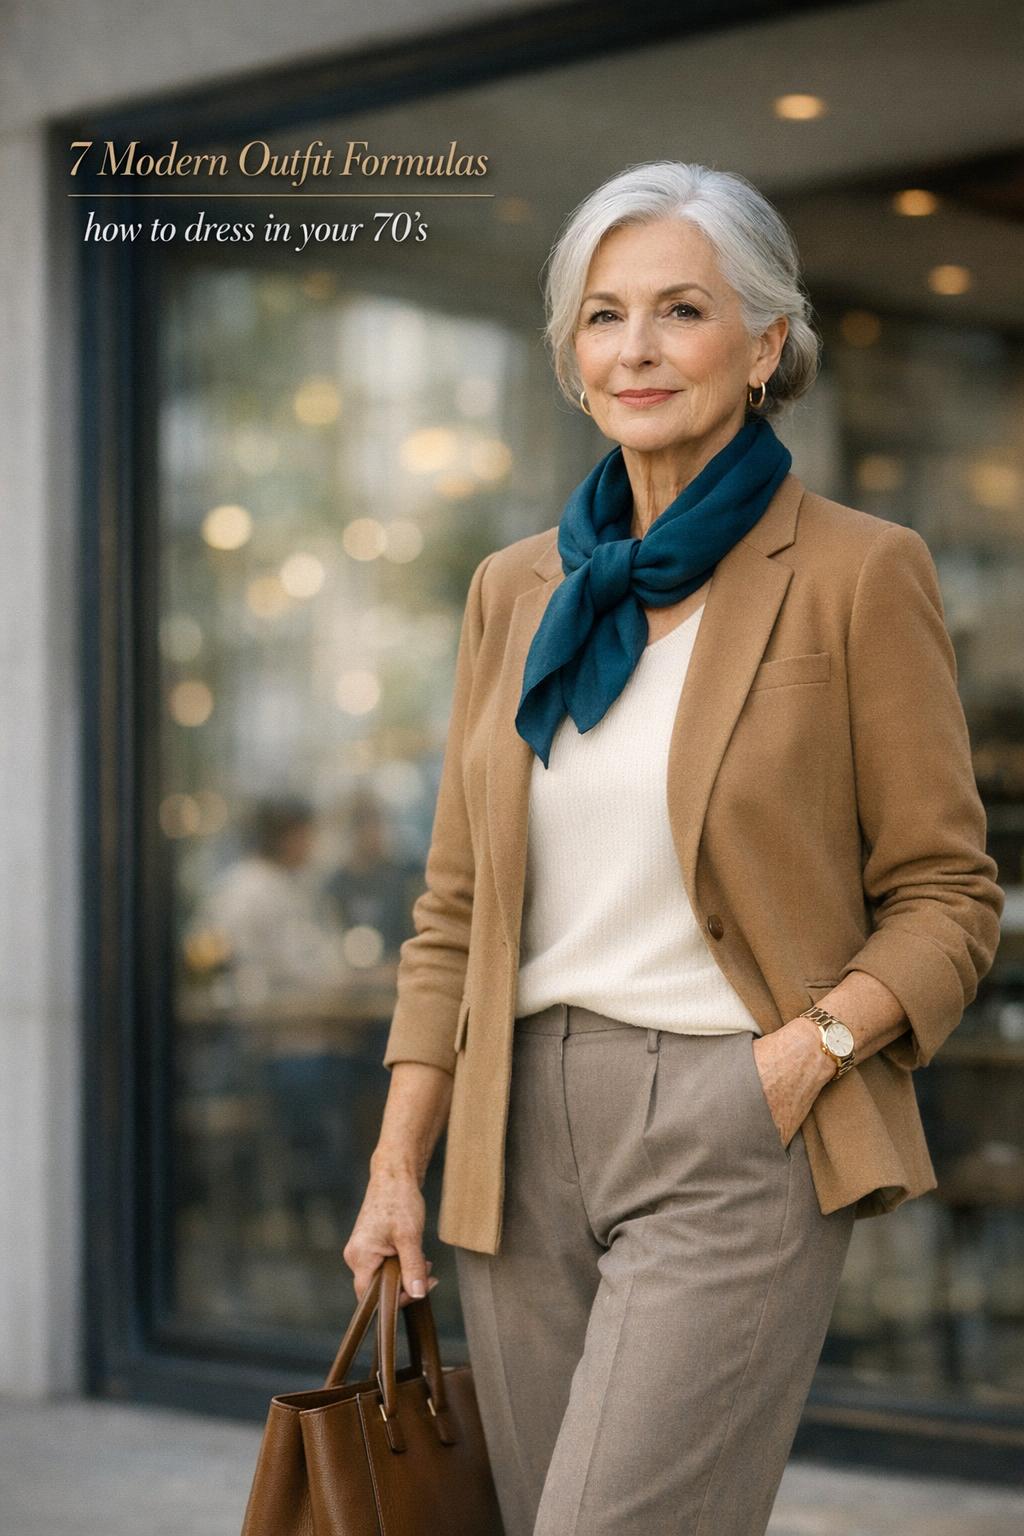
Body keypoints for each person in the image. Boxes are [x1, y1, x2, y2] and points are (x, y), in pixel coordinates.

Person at [342, 162, 1005, 1535]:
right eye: (605, 315)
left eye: (682, 310)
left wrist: (808, 1054)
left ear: (766, 346)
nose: (636, 348)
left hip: (733, 1115)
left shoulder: (858, 571)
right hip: (512, 1136)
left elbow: (947, 895)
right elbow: (454, 908)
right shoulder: (517, 588)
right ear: (573, 355)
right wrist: (400, 1161)